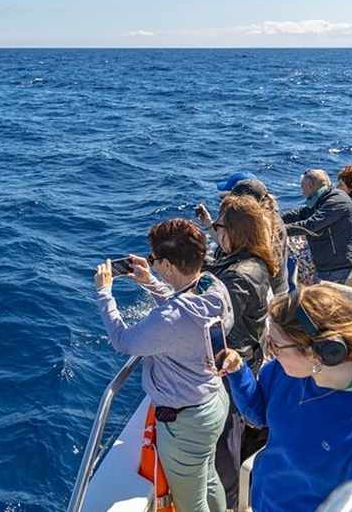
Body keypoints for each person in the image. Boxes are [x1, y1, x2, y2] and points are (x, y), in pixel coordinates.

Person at [221, 285, 352, 512]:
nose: (270, 353)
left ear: (323, 351)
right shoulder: (287, 372)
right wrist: (237, 370)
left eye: (276, 345)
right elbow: (261, 412)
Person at [94, 218, 233, 512]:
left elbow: (123, 341)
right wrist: (150, 282)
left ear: (169, 265)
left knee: (190, 504)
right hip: (213, 402)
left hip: (185, 422)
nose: (152, 264)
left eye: (155, 260)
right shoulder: (213, 287)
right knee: (208, 478)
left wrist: (104, 293)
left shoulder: (171, 318)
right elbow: (183, 305)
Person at [202, 195, 279, 508]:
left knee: (225, 445)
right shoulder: (255, 262)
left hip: (232, 366)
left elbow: (212, 320)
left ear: (234, 230)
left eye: (219, 226)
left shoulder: (238, 275)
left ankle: (229, 502)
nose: (216, 231)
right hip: (247, 357)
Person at [196, 178, 289, 295]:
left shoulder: (264, 224)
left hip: (269, 291)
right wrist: (209, 224)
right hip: (272, 289)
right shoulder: (264, 218)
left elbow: (248, 255)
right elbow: (233, 244)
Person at [281, 169, 352, 283]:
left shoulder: (337, 200)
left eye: (302, 187)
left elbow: (311, 225)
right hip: (324, 267)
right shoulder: (320, 200)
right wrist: (273, 218)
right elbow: (299, 214)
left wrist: (278, 230)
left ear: (310, 186)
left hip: (339, 269)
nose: (302, 192)